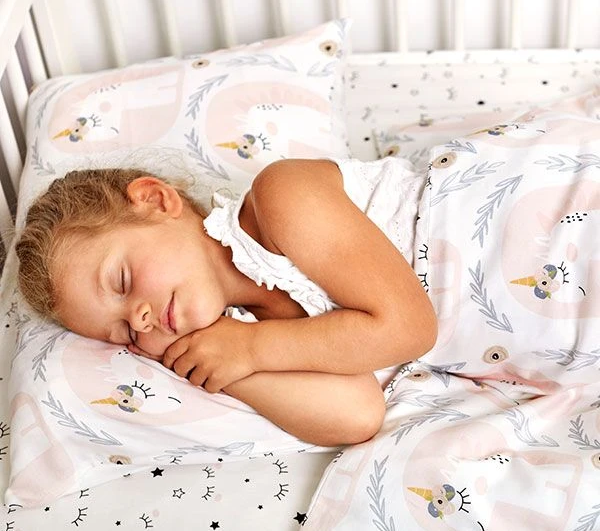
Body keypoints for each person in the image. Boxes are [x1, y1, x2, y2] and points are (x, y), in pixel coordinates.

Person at [15, 158, 437, 446]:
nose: (140, 320)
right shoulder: (241, 329)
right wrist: (212, 360)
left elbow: (409, 328)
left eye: (122, 281)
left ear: (156, 201)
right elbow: (357, 415)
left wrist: (251, 349)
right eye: (124, 331)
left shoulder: (281, 197)